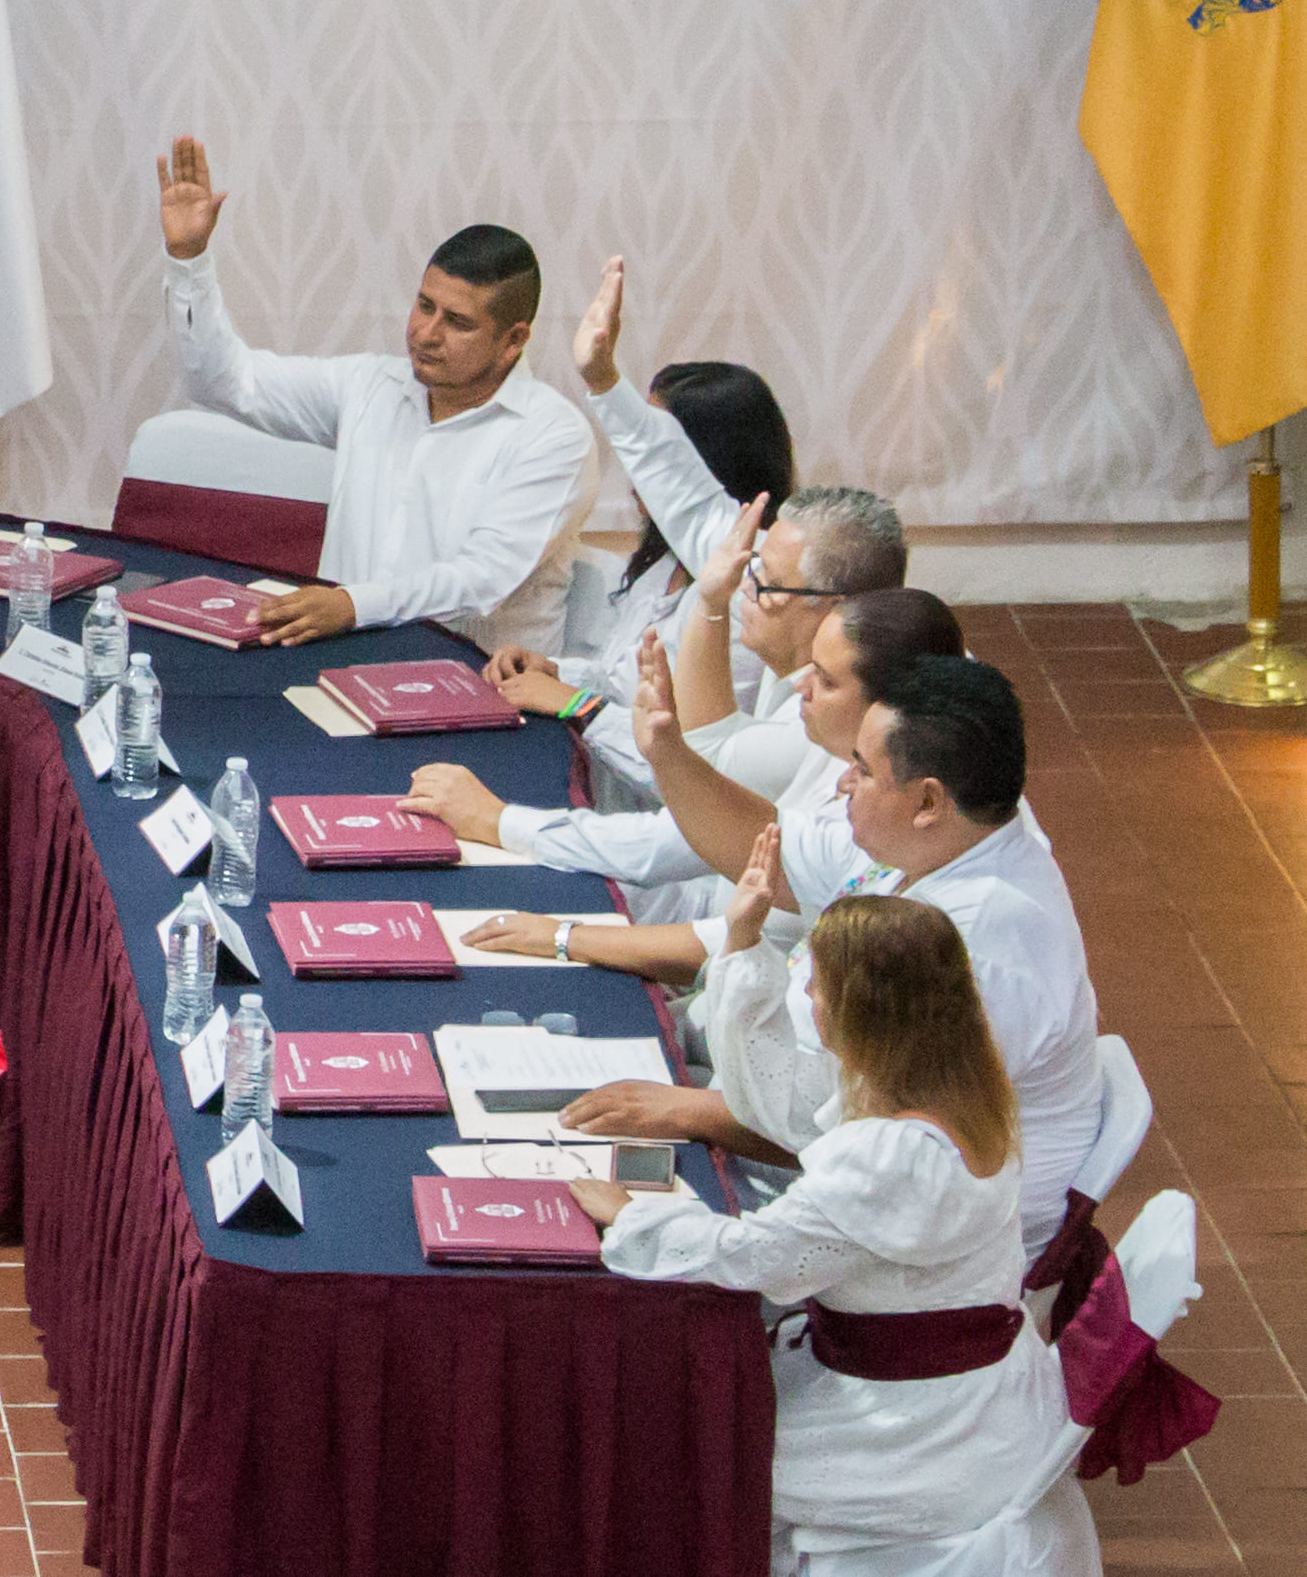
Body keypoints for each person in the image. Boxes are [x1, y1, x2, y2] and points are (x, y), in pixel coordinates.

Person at [575, 893, 1094, 1573]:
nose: (807, 996)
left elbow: (757, 1257)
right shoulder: (964, 1089)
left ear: (858, 1007)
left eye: (817, 984)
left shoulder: (887, 1159)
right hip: (981, 1394)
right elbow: (781, 1102)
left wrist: (631, 1215)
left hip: (912, 1428)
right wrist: (743, 941)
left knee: (686, 1451)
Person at [560, 657, 1101, 1255]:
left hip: (911, 1238)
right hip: (807, 1130)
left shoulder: (979, 947)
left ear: (927, 801)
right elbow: (768, 848)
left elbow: (864, 1143)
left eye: (862, 770)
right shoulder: (947, 836)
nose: (842, 783)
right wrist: (668, 754)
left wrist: (684, 1114)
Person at [150, 135, 593, 647]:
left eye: (457, 322)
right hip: (335, 663)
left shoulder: (554, 435)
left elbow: (482, 579)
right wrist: (189, 259)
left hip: (479, 682)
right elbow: (222, 381)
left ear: (513, 340)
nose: (426, 333)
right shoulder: (369, 385)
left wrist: (351, 605)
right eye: (424, 306)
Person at [429, 582, 959, 948]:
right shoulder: (833, 740)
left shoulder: (874, 801)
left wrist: (503, 826)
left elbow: (678, 842)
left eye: (825, 679)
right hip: (722, 960)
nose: (802, 684)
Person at [487, 255, 798, 801]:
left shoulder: (753, 593)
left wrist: (574, 704)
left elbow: (692, 765)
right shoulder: (665, 562)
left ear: (705, 464)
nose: (636, 470)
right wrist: (555, 670)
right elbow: (624, 682)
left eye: (656, 452)